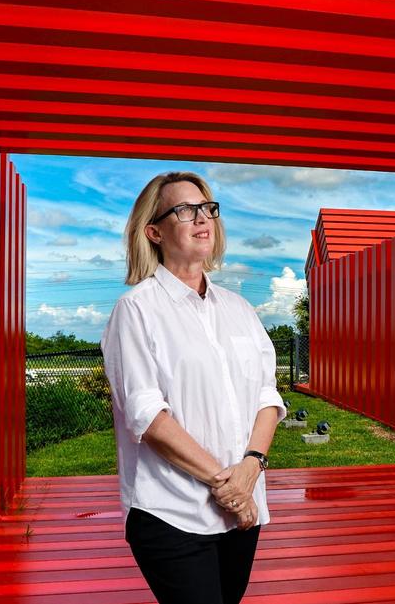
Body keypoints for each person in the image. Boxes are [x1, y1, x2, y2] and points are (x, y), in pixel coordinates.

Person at [100, 170, 286, 604]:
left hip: (241, 510)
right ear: (154, 231)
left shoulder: (239, 309)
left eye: (208, 209)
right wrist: (229, 486)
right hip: (172, 511)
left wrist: (251, 468)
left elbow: (266, 396)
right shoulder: (136, 310)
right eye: (185, 210)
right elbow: (147, 415)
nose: (203, 218)